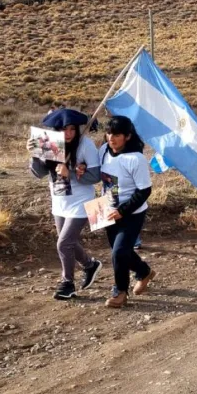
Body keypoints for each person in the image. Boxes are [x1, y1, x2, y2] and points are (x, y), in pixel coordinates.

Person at [28, 110, 103, 300]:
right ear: (56, 130)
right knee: (69, 242)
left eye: (72, 129)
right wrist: (35, 155)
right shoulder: (49, 141)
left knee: (63, 243)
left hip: (82, 201)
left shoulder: (86, 145)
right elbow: (39, 174)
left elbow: (96, 176)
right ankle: (90, 265)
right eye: (64, 129)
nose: (68, 134)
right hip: (60, 200)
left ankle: (67, 283)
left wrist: (70, 171)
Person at [98, 116, 156, 308]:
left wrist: (123, 211)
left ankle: (120, 291)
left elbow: (144, 190)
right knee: (121, 252)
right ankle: (144, 271)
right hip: (108, 208)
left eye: (116, 134)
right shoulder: (103, 152)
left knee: (119, 252)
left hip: (131, 213)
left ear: (128, 136)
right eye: (109, 133)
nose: (111, 138)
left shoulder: (135, 159)